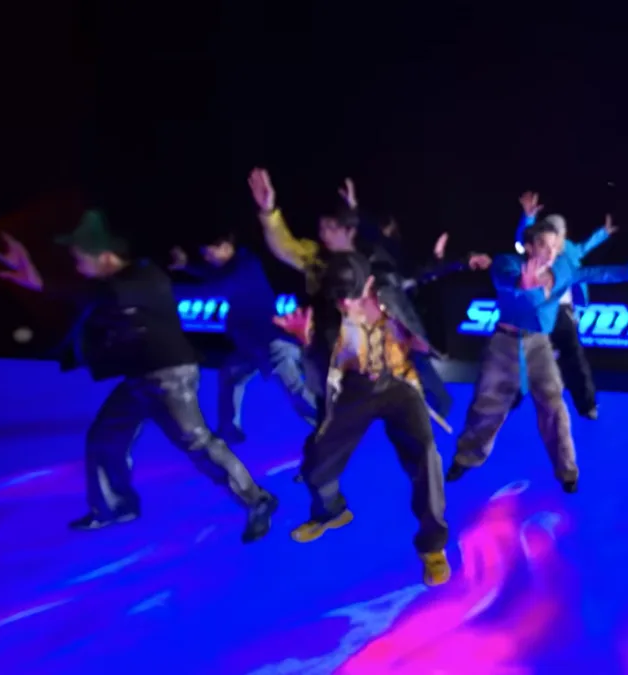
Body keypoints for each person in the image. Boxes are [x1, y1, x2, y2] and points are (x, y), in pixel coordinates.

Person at [0, 210, 278, 542]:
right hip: (141, 377)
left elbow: (100, 295)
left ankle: (257, 500)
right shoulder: (118, 283)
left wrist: (42, 284)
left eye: (80, 257)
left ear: (104, 256)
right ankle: (115, 506)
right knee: (105, 436)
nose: (76, 265)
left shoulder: (142, 276)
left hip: (168, 376)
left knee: (198, 443)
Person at [283, 252, 451, 586]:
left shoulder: (390, 294)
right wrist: (305, 343)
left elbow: (422, 295)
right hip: (354, 390)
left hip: (398, 383)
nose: (346, 304)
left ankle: (433, 545)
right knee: (317, 464)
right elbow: (319, 379)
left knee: (426, 456)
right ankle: (331, 511)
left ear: (370, 284)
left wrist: (423, 346)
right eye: (339, 298)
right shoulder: (325, 313)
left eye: (353, 296)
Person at [447, 219, 628, 493]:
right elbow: (506, 281)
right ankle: (466, 458)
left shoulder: (563, 268)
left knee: (554, 406)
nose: (550, 252)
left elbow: (595, 273)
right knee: (487, 407)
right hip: (504, 346)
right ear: (529, 247)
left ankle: (567, 471)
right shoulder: (507, 263)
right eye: (543, 245)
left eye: (554, 246)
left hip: (539, 345)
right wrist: (523, 283)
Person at [248, 169, 457, 420]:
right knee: (332, 413)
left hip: (388, 342)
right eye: (322, 228)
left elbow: (410, 272)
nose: (324, 234)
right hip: (340, 349)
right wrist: (268, 212)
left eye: (332, 228)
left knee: (439, 402)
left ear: (349, 231)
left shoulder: (373, 256)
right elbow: (285, 248)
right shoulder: (317, 259)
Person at [169, 233, 316, 443]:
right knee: (230, 377)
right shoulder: (233, 266)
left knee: (295, 391)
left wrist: (163, 290)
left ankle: (329, 422)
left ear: (225, 247)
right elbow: (213, 276)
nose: (207, 258)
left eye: (209, 253)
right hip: (250, 345)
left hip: (270, 344)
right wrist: (186, 266)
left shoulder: (245, 267)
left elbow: (214, 288)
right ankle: (229, 430)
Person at [511, 191, 615, 420]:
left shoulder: (568, 249)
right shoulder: (537, 246)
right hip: (538, 309)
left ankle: (587, 405)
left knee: (573, 355)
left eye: (561, 233)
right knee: (525, 355)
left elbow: (586, 248)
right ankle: (512, 397)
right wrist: (528, 217)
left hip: (562, 310)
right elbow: (521, 243)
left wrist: (603, 234)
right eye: (555, 232)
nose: (557, 240)